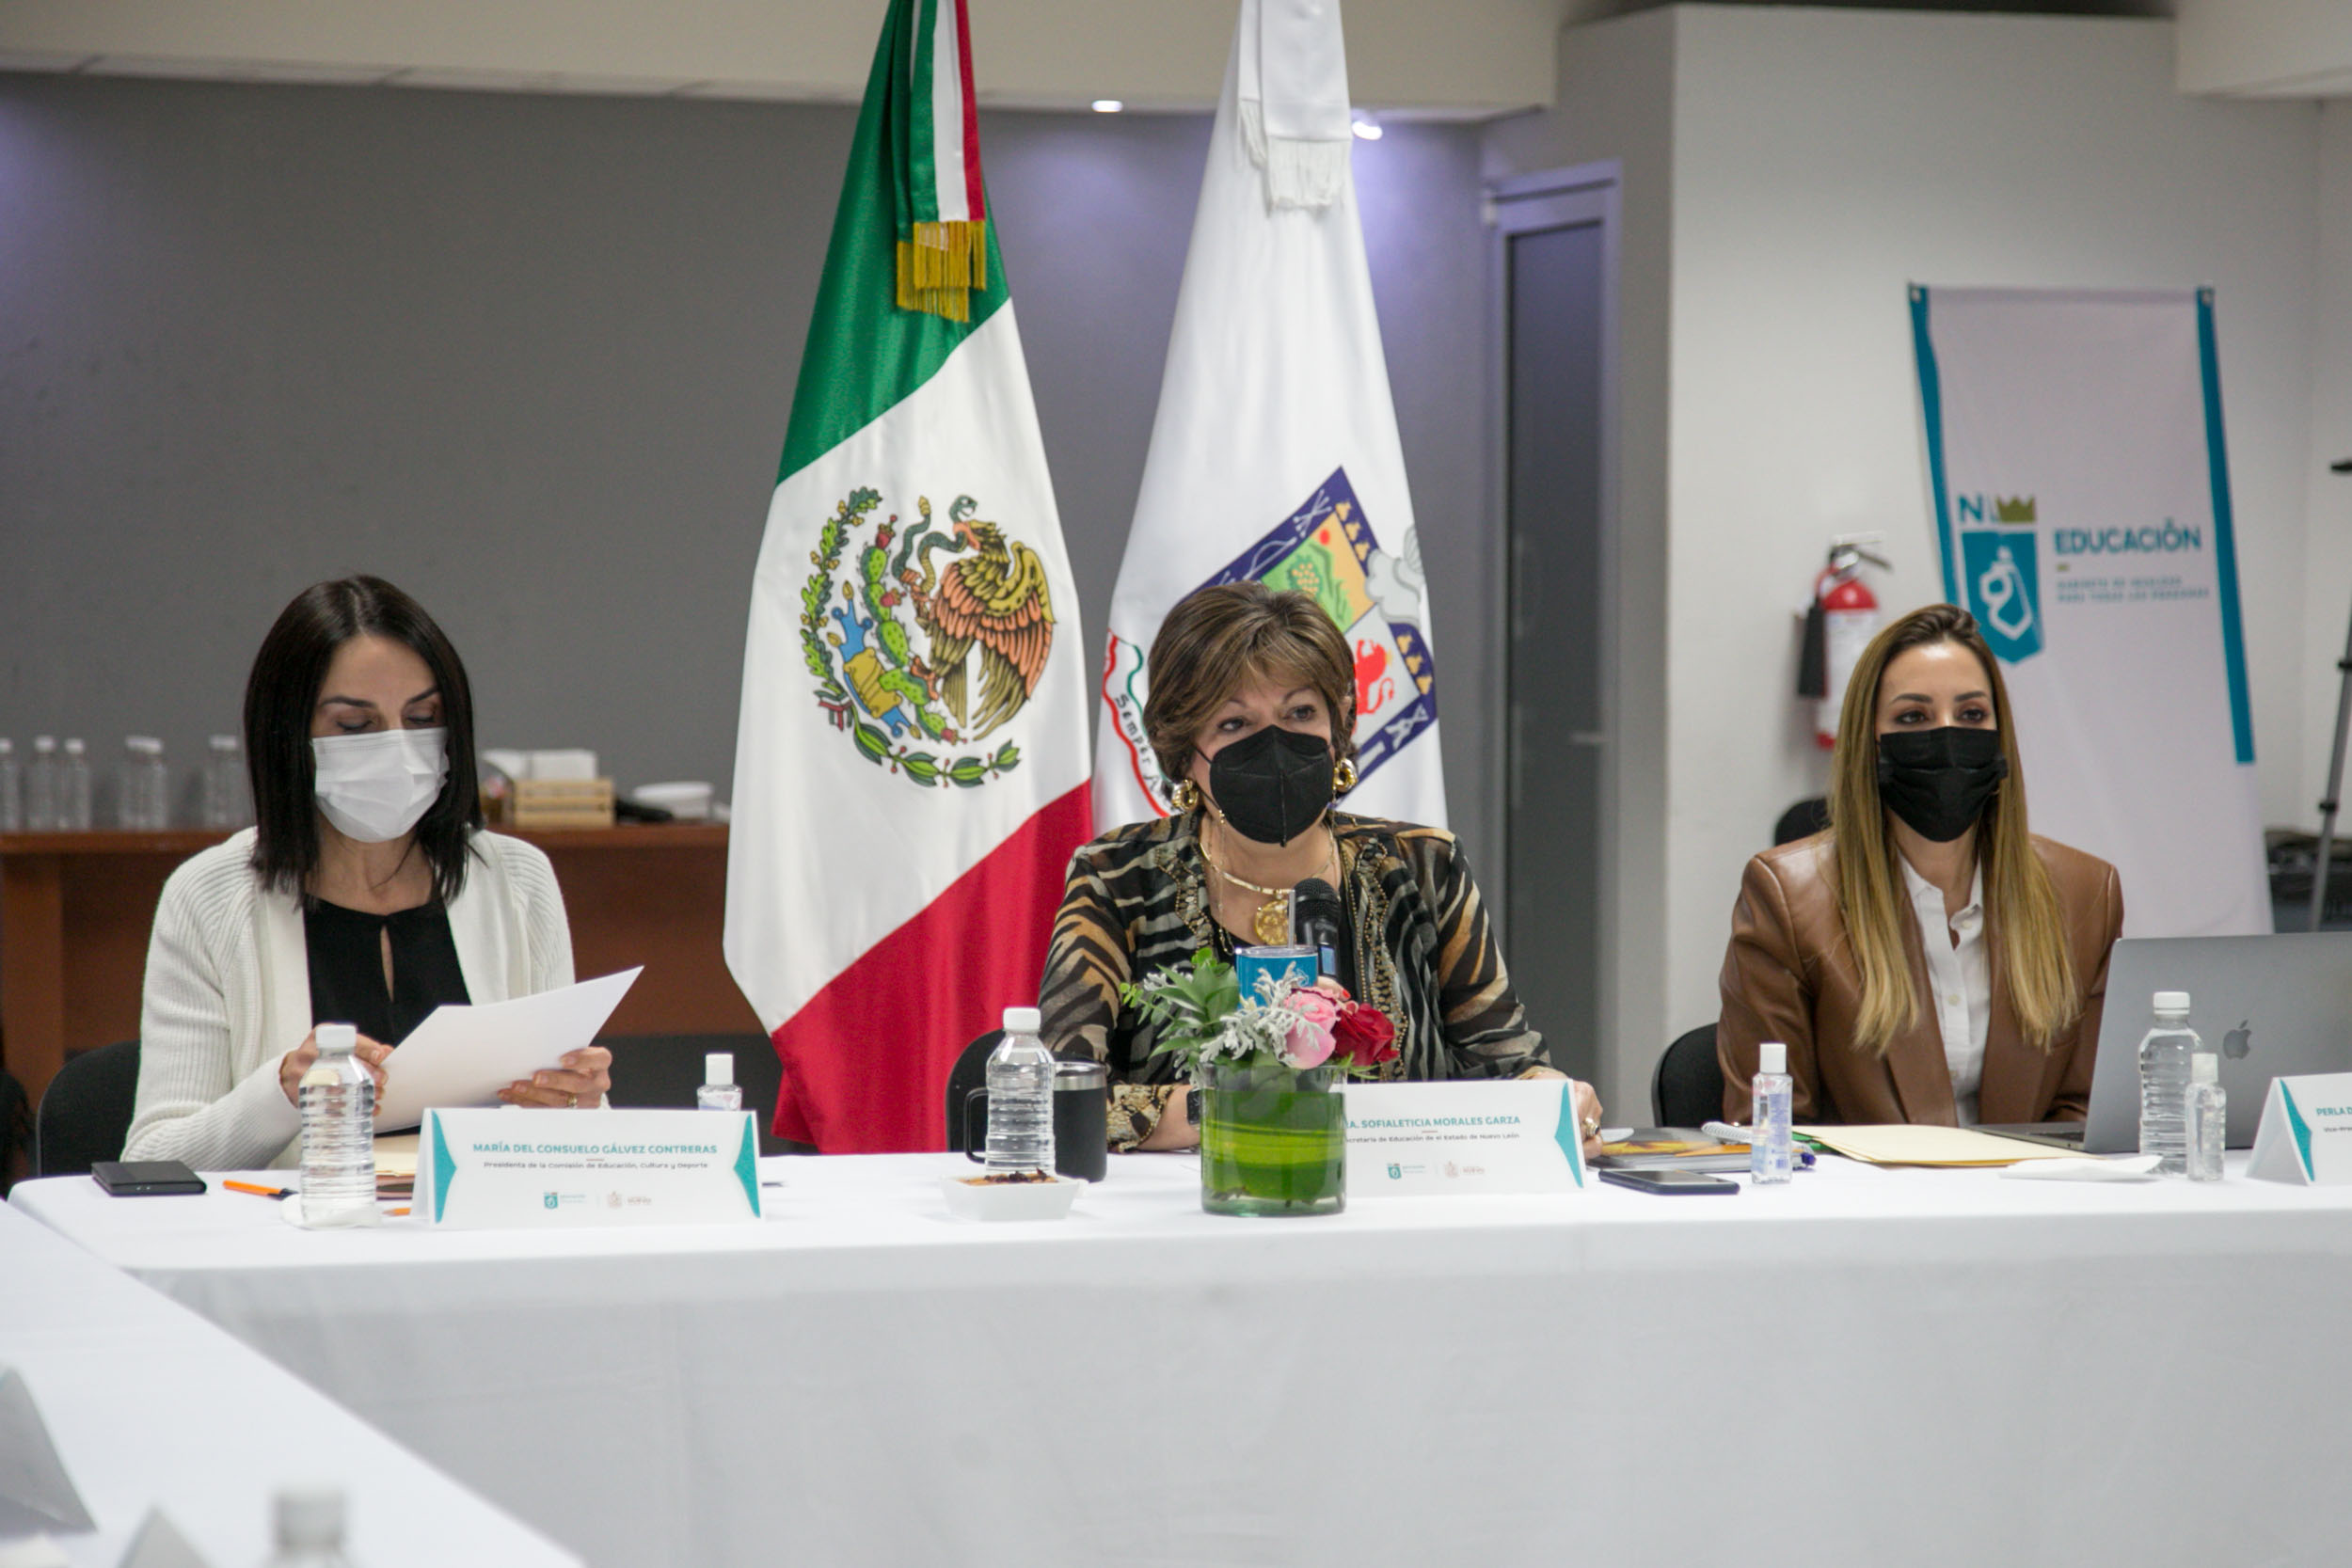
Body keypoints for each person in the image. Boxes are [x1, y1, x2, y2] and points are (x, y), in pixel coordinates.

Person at [1040, 581, 1602, 1151]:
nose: (1275, 746)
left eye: (1300, 713)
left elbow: (1506, 1066)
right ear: (1183, 752)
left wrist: (1556, 1097)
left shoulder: (1424, 866)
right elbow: (1060, 1093)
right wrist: (1237, 1105)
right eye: (1234, 724)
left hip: (1400, 1192)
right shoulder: (1117, 877)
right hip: (1195, 1198)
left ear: (1339, 726)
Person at [123, 577, 607, 1169]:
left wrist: (577, 1102)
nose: (398, 751)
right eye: (355, 726)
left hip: (475, 1220)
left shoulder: (517, 880)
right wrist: (281, 1092)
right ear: (288, 735)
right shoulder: (209, 897)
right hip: (300, 1224)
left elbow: (571, 1146)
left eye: (423, 717)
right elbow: (152, 1162)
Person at [1718, 603, 2122, 1126]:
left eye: (1972, 715)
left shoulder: (2085, 893)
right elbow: (1772, 1128)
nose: (1948, 737)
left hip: (2028, 1179)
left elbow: (2085, 1114)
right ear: (1870, 743)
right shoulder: (1787, 898)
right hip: (1861, 1182)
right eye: (1913, 717)